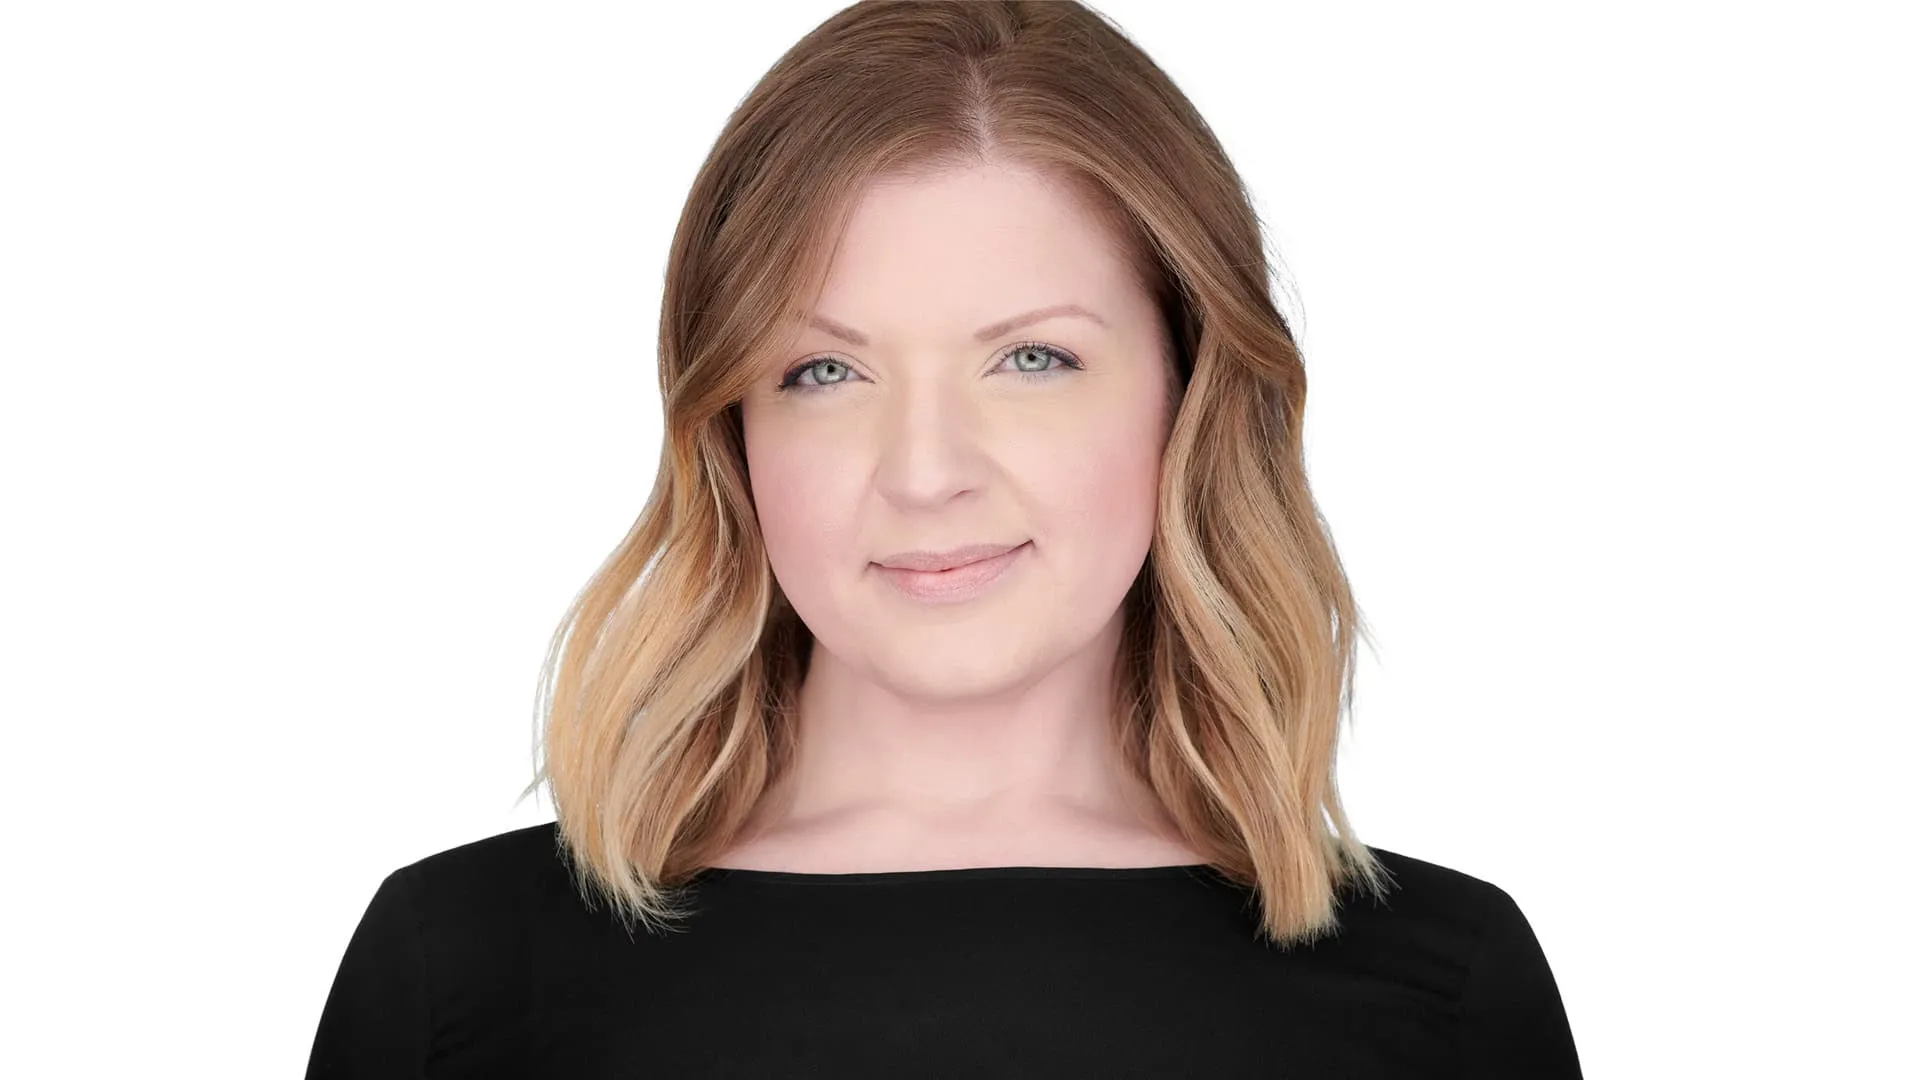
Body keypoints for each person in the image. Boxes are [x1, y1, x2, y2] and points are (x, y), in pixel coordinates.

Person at [305, 2, 1582, 1076]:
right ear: (729, 428)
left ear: (1188, 393)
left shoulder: (1440, 996)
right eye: (823, 371)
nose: (925, 473)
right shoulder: (460, 976)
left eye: (1032, 358)